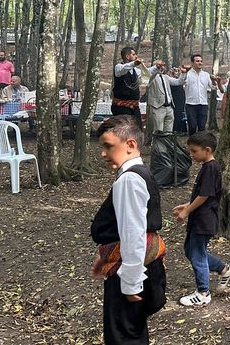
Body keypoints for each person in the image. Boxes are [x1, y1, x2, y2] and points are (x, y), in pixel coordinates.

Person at [90, 116, 167, 344]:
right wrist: (105, 254)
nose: (103, 153)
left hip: (130, 270)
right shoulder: (141, 172)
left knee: (123, 337)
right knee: (133, 332)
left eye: (108, 146)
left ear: (131, 144)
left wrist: (131, 282)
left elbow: (133, 234)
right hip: (134, 265)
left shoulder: (129, 181)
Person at [172, 131, 230, 307]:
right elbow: (203, 194)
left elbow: (205, 195)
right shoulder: (208, 167)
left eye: (194, 151)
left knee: (197, 254)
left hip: (204, 219)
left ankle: (203, 293)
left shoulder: (211, 168)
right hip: (199, 217)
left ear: (207, 150)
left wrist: (187, 211)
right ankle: (224, 269)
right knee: (190, 250)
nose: (191, 155)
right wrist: (187, 206)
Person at [145, 61, 187, 145]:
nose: (162, 67)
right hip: (158, 107)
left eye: (163, 66)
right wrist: (156, 68)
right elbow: (147, 74)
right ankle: (157, 148)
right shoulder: (150, 78)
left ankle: (167, 147)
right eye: (159, 66)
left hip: (169, 107)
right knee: (158, 130)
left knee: (168, 131)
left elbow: (179, 82)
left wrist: (183, 73)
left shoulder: (166, 77)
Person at [183, 54, 219, 135]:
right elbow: (183, 84)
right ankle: (192, 144)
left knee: (202, 127)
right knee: (192, 126)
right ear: (192, 63)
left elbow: (213, 87)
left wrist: (214, 80)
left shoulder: (206, 75)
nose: (200, 63)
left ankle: (200, 145)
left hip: (203, 104)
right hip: (191, 104)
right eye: (197, 61)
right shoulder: (188, 74)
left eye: (201, 61)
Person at [112, 47, 146, 121]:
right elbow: (123, 69)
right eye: (133, 54)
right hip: (121, 107)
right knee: (125, 129)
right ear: (127, 56)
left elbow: (146, 73)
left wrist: (156, 67)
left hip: (134, 106)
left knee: (137, 129)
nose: (136, 56)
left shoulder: (136, 71)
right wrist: (133, 63)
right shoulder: (118, 67)